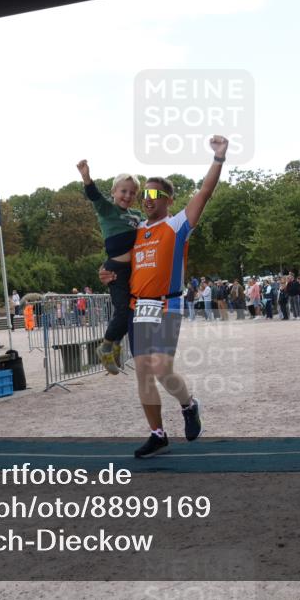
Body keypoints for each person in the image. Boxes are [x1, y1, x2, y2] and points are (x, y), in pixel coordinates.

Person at [99, 135, 227, 458]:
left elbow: (205, 193)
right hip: (137, 308)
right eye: (145, 194)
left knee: (161, 368)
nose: (147, 199)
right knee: (142, 372)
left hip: (168, 304)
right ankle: (157, 434)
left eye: (155, 193)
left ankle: (189, 404)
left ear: (169, 199)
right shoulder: (136, 230)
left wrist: (218, 158)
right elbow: (118, 259)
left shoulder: (177, 224)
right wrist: (105, 271)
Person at [77, 159, 144, 374]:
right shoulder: (108, 210)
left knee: (131, 310)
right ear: (114, 192)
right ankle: (105, 347)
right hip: (115, 270)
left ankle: (116, 344)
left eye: (132, 193)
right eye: (123, 191)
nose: (127, 196)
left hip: (134, 271)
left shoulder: (138, 216)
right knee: (123, 310)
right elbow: (95, 196)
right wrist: (86, 177)